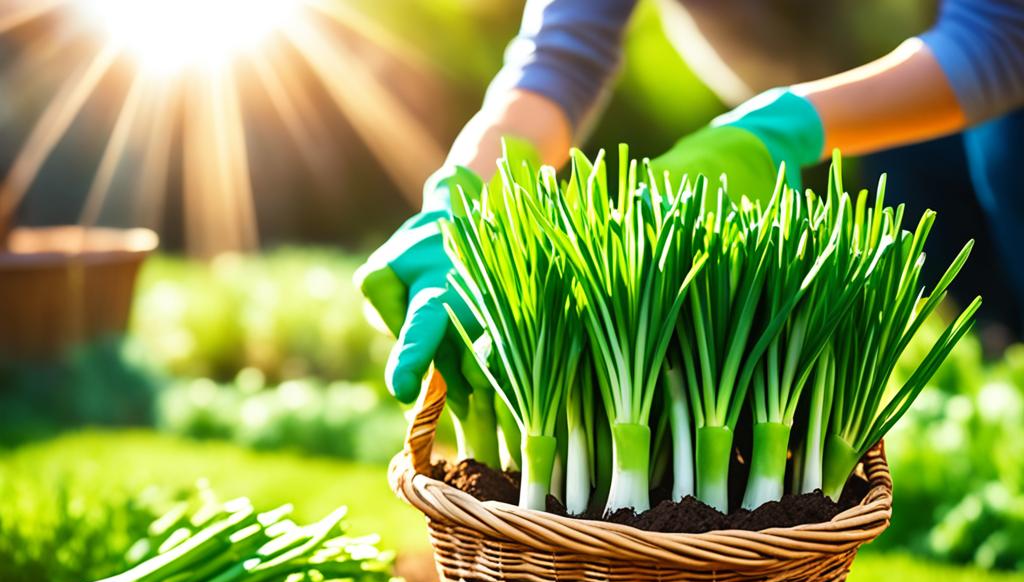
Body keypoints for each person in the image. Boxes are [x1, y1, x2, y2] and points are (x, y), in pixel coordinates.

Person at [357, 0, 1024, 404]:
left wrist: (781, 127)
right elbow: (555, 64)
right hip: (838, 130)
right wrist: (464, 192)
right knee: (979, 313)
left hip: (967, 90)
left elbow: (1001, 34)